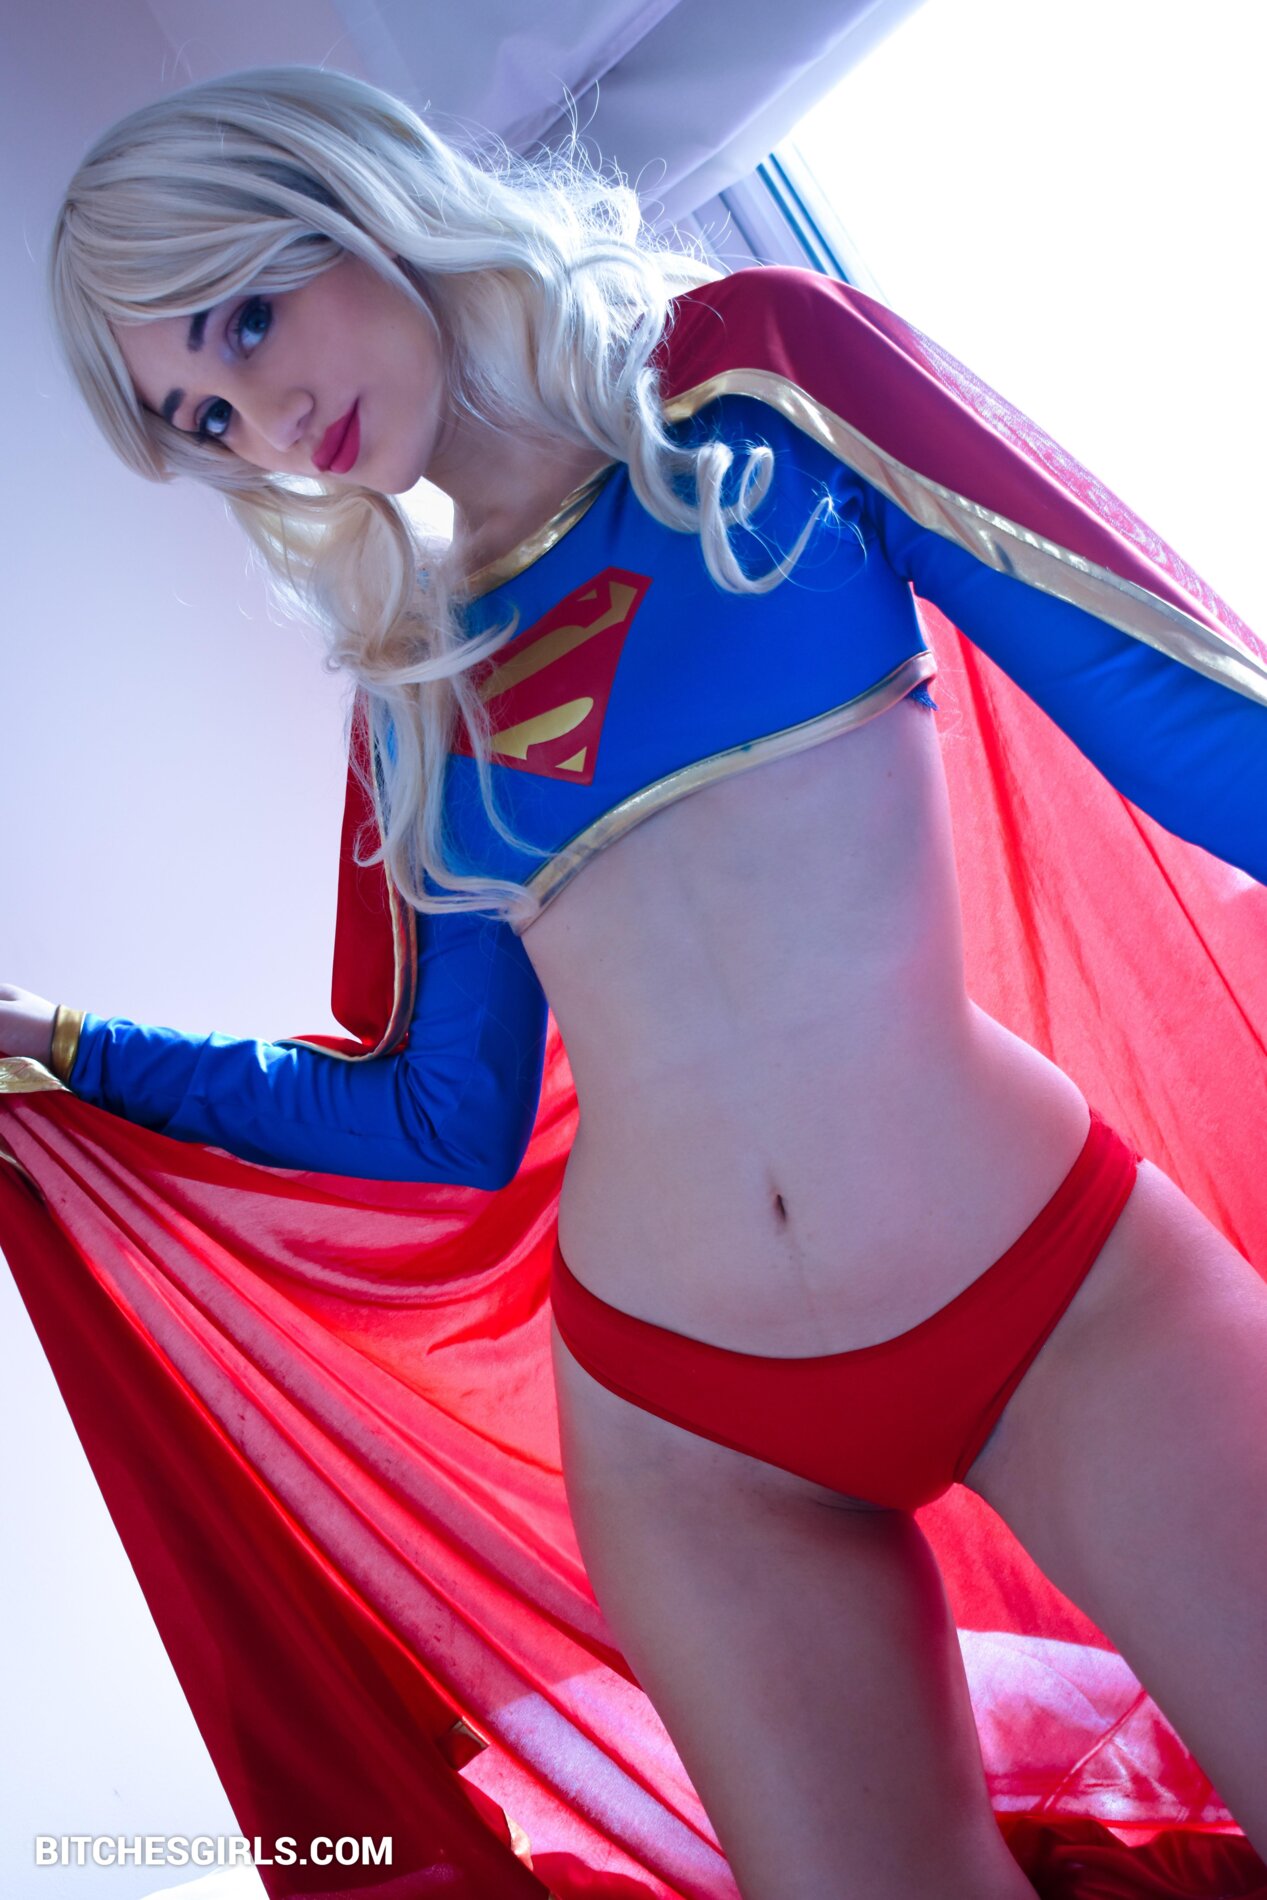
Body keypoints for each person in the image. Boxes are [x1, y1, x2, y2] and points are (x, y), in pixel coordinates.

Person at [3, 63, 1267, 1900]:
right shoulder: (412, 693)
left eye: (247, 321)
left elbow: (1185, 722)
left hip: (1054, 1295)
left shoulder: (764, 380)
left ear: (349, 199)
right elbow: (437, 1121)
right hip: (689, 1432)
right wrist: (62, 1043)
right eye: (202, 418)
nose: (265, 422)